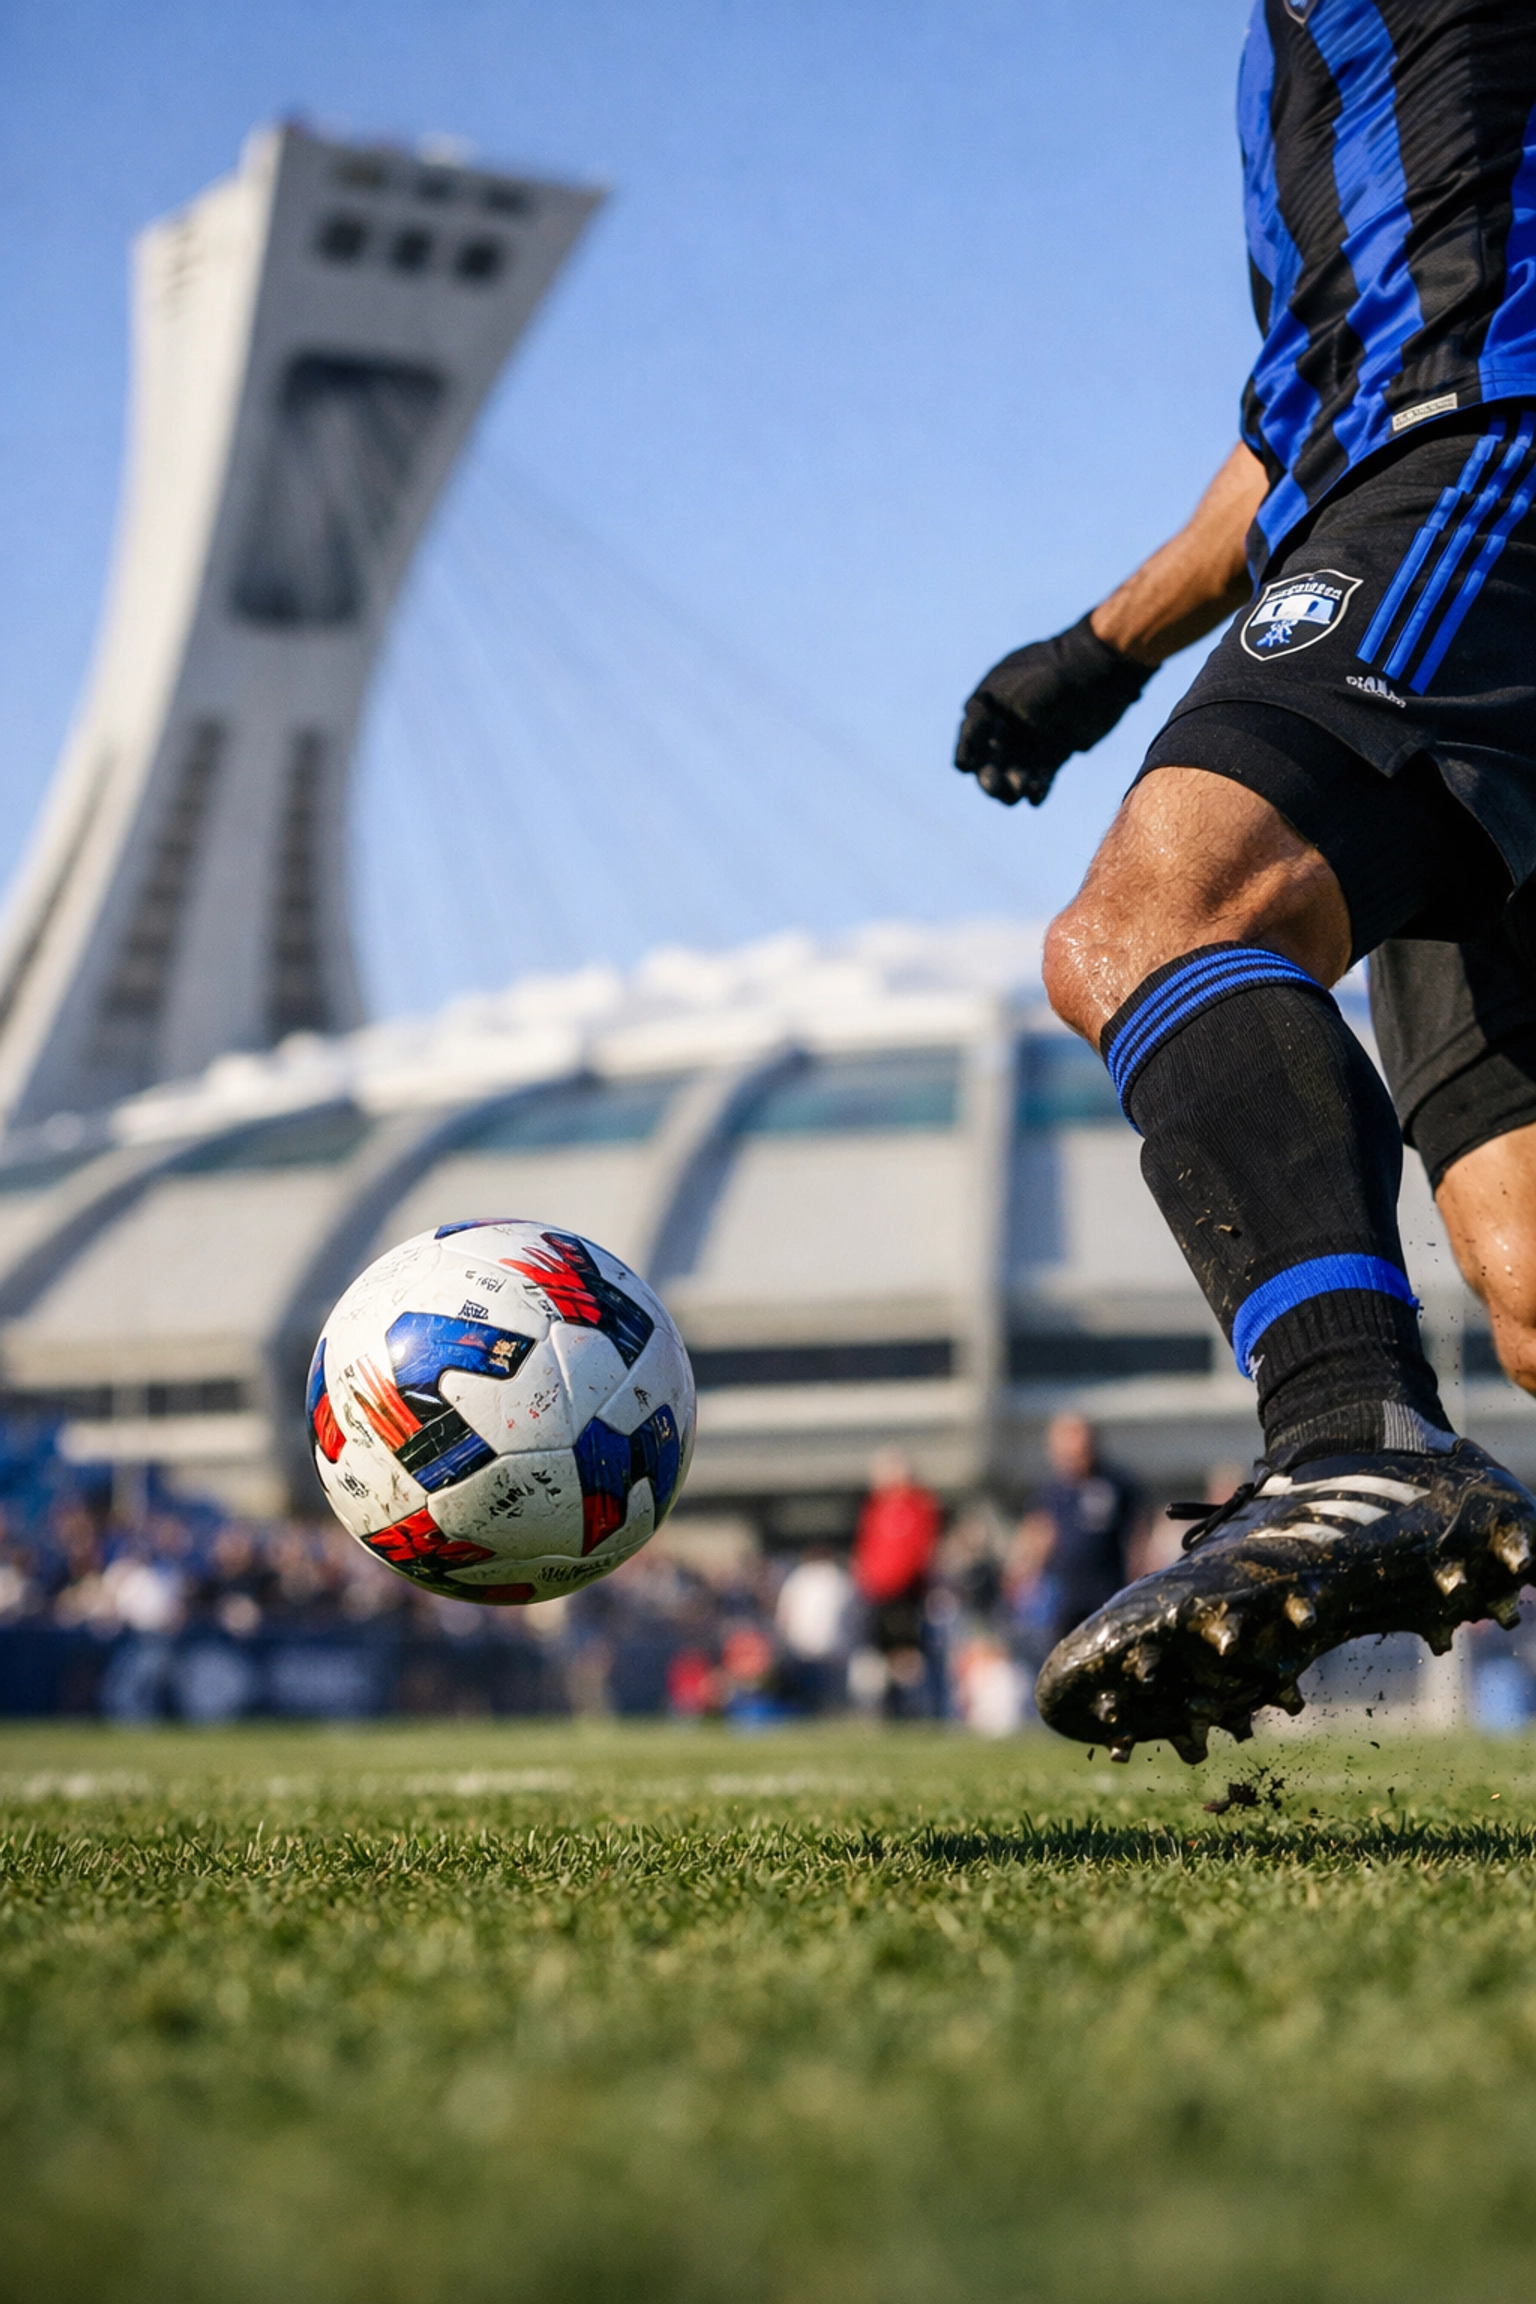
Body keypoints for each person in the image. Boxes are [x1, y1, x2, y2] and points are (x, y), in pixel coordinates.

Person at [956, 1, 1536, 1764]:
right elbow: (1295, 420)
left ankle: (1351, 1427)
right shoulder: (1282, 80)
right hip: (1395, 473)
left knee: (1157, 918)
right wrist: (1096, 646)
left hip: (1489, 451)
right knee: (1524, 1265)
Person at [850, 1449, 943, 1715]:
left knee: (908, 1655)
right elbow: (867, 1547)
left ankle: (915, 1707)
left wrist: (898, 1581)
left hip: (904, 1594)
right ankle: (885, 1707)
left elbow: (919, 1550)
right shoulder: (876, 1508)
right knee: (880, 1654)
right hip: (877, 1594)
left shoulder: (917, 1505)